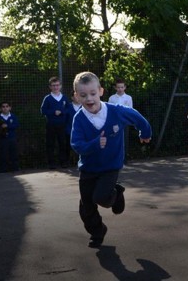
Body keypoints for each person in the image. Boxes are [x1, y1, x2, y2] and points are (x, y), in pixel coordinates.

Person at [70, 71, 152, 248]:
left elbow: (137, 117)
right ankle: (98, 232)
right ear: (77, 96)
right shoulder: (79, 119)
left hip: (110, 166)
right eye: (83, 95)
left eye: (92, 93)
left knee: (100, 197)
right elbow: (76, 144)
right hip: (88, 168)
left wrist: (145, 132)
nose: (89, 99)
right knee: (86, 206)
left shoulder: (115, 112)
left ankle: (116, 195)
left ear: (101, 91)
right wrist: (94, 144)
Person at [40, 76, 70, 169]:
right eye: (53, 85)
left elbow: (68, 109)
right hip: (51, 125)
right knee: (50, 144)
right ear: (50, 87)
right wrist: (53, 112)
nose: (55, 87)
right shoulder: (47, 98)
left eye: (57, 85)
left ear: (60, 86)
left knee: (62, 143)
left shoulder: (64, 98)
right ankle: (51, 163)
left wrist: (62, 112)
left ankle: (63, 162)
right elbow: (43, 110)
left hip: (62, 125)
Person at [108, 78, 134, 161]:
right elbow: (109, 110)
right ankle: (115, 158)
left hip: (124, 122)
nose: (120, 89)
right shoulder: (112, 98)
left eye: (122, 87)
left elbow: (130, 110)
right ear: (115, 88)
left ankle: (124, 157)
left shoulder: (128, 98)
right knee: (115, 138)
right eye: (118, 87)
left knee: (125, 139)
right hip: (115, 122)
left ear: (125, 87)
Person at [0, 101, 19, 172]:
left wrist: (7, 126)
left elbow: (16, 125)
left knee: (14, 154)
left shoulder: (13, 116)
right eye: (3, 107)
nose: (5, 108)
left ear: (10, 108)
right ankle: (3, 170)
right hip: (3, 139)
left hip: (12, 138)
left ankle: (15, 169)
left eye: (7, 106)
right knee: (3, 154)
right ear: (0, 109)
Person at [65, 90, 83, 164]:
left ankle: (80, 162)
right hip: (69, 130)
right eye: (76, 96)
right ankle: (67, 162)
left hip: (82, 131)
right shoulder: (68, 106)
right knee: (67, 147)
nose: (78, 98)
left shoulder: (85, 106)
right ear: (72, 97)